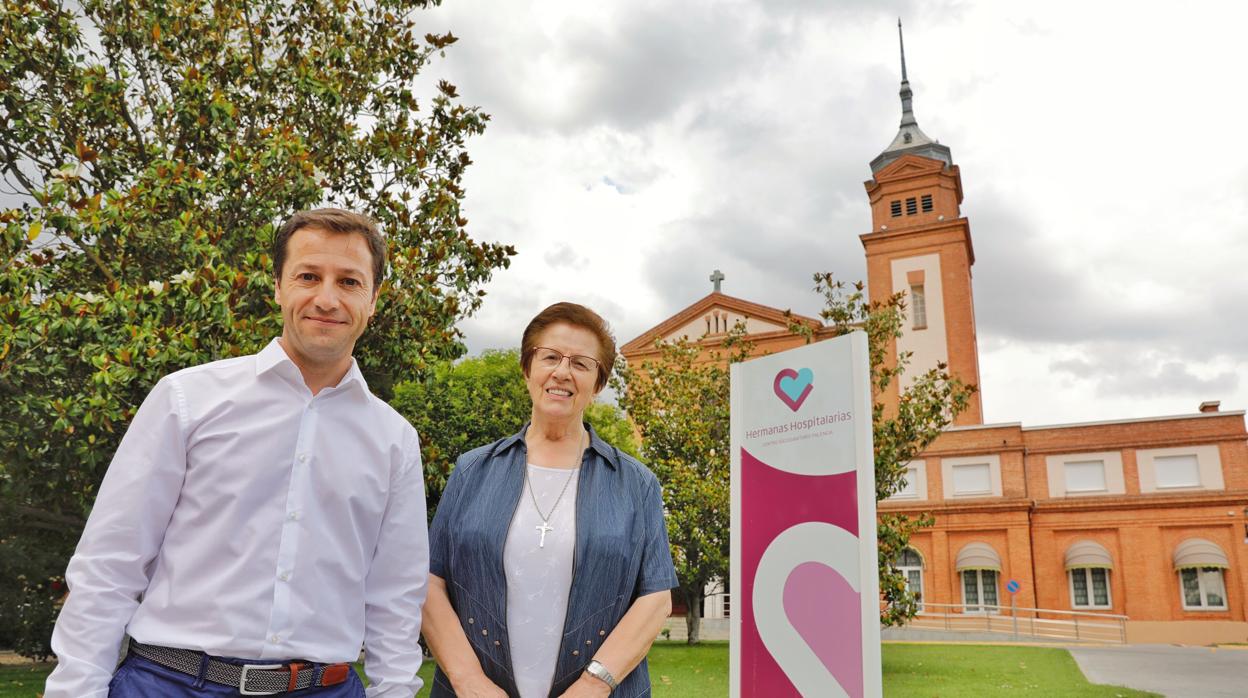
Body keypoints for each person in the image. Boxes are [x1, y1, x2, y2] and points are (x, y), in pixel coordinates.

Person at [44, 209, 429, 697]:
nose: (326, 298)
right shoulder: (186, 400)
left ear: (373, 300)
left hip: (324, 688)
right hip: (169, 683)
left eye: (349, 282)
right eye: (308, 276)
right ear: (278, 287)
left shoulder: (394, 440)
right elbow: (110, 564)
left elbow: (395, 597)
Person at [421, 302, 677, 697]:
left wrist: (594, 685)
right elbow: (431, 582)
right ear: (527, 369)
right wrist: (468, 680)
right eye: (551, 357)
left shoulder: (635, 484)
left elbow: (656, 597)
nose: (562, 372)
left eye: (580, 363)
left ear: (599, 382)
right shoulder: (472, 471)